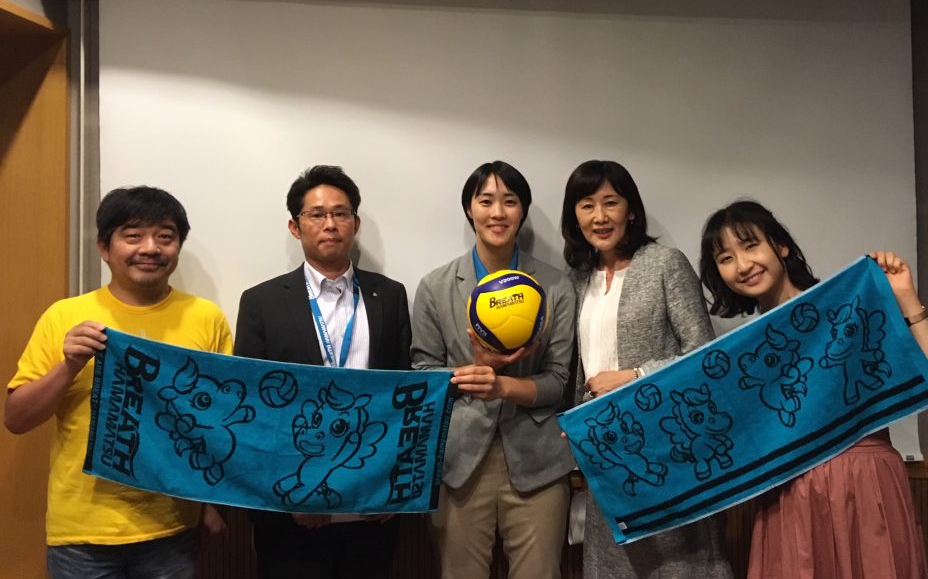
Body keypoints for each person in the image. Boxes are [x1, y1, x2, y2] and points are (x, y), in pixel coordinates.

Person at [698, 199, 928, 579]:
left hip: (866, 484)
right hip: (790, 495)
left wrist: (906, 297)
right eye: (726, 258)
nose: (742, 265)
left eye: (751, 246)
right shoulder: (744, 355)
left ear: (780, 246)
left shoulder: (848, 311)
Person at [5, 185, 232, 579]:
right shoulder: (64, 316)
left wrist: (213, 502)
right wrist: (68, 366)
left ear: (178, 247)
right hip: (82, 532)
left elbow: (221, 422)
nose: (151, 248)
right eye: (133, 235)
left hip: (172, 526)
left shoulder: (205, 317)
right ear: (104, 247)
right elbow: (17, 418)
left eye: (165, 236)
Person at [234, 164, 411, 579]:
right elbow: (255, 406)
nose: (330, 224)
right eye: (316, 214)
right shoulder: (260, 302)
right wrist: (296, 496)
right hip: (292, 512)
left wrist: (391, 488)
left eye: (340, 213)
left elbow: (402, 394)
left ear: (355, 223)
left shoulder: (389, 295)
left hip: (371, 507)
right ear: (295, 227)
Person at [560, 160, 733, 579]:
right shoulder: (578, 278)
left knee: (680, 565)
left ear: (631, 211)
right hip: (604, 451)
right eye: (587, 205)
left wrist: (636, 375)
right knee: (611, 565)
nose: (599, 216)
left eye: (611, 203)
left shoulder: (664, 263)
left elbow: (704, 356)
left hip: (667, 447)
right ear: (575, 216)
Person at [411, 161, 576, 579]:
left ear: (523, 211)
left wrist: (502, 385)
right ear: (469, 209)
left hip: (539, 461)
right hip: (459, 461)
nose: (497, 213)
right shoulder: (436, 286)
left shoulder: (556, 285)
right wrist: (475, 371)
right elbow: (424, 375)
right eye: (486, 201)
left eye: (510, 201)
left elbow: (559, 382)